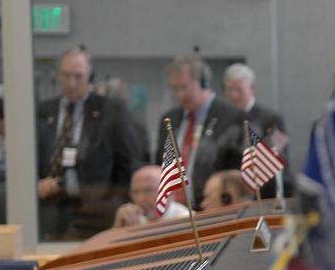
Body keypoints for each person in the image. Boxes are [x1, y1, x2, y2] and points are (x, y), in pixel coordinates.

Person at [36, 48, 141, 239]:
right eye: (66, 76)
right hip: (50, 208)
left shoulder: (111, 111)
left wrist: (118, 201)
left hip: (97, 210)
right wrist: (36, 185)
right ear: (57, 76)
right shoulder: (42, 112)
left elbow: (129, 163)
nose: (72, 83)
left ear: (89, 76)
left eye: (78, 76)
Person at [155, 53, 244, 209]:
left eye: (184, 87)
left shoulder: (232, 117)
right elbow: (160, 164)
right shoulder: (170, 119)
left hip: (214, 208)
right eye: (174, 89)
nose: (179, 95)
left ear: (204, 82)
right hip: (175, 211)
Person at [223, 62, 290, 199]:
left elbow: (278, 157)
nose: (233, 96)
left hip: (266, 195)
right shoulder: (224, 120)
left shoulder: (273, 119)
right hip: (232, 197)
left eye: (238, 90)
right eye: (229, 90)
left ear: (252, 89)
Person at [113, 164, 190, 227]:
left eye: (148, 191)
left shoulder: (186, 220)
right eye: (135, 192)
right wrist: (118, 229)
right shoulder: (132, 217)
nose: (140, 198)